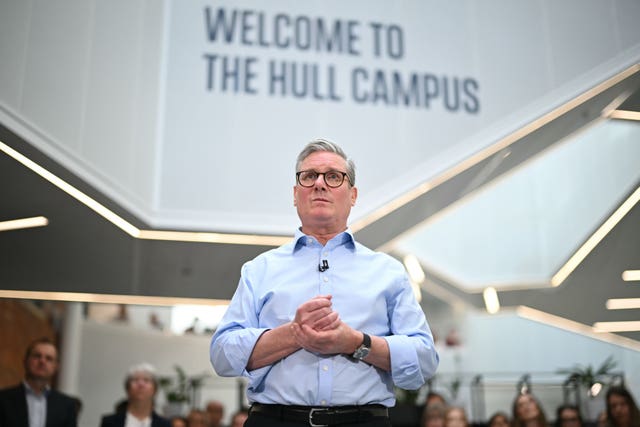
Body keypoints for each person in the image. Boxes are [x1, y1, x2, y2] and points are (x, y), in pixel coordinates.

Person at [210, 139, 439, 427]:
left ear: (353, 195)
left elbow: (424, 361)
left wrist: (357, 342)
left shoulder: (388, 272)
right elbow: (221, 355)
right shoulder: (259, 269)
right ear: (296, 194)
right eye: (308, 176)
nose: (319, 184)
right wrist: (294, 334)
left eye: (333, 176)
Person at [0, 337, 78, 427]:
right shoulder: (3, 399)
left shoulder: (67, 406)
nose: (42, 361)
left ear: (56, 367)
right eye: (37, 356)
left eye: (49, 358)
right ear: (25, 361)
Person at [99, 363, 170, 427]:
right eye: (135, 380)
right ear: (127, 388)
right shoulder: (109, 422)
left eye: (146, 380)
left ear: (155, 389)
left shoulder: (165, 424)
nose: (141, 384)